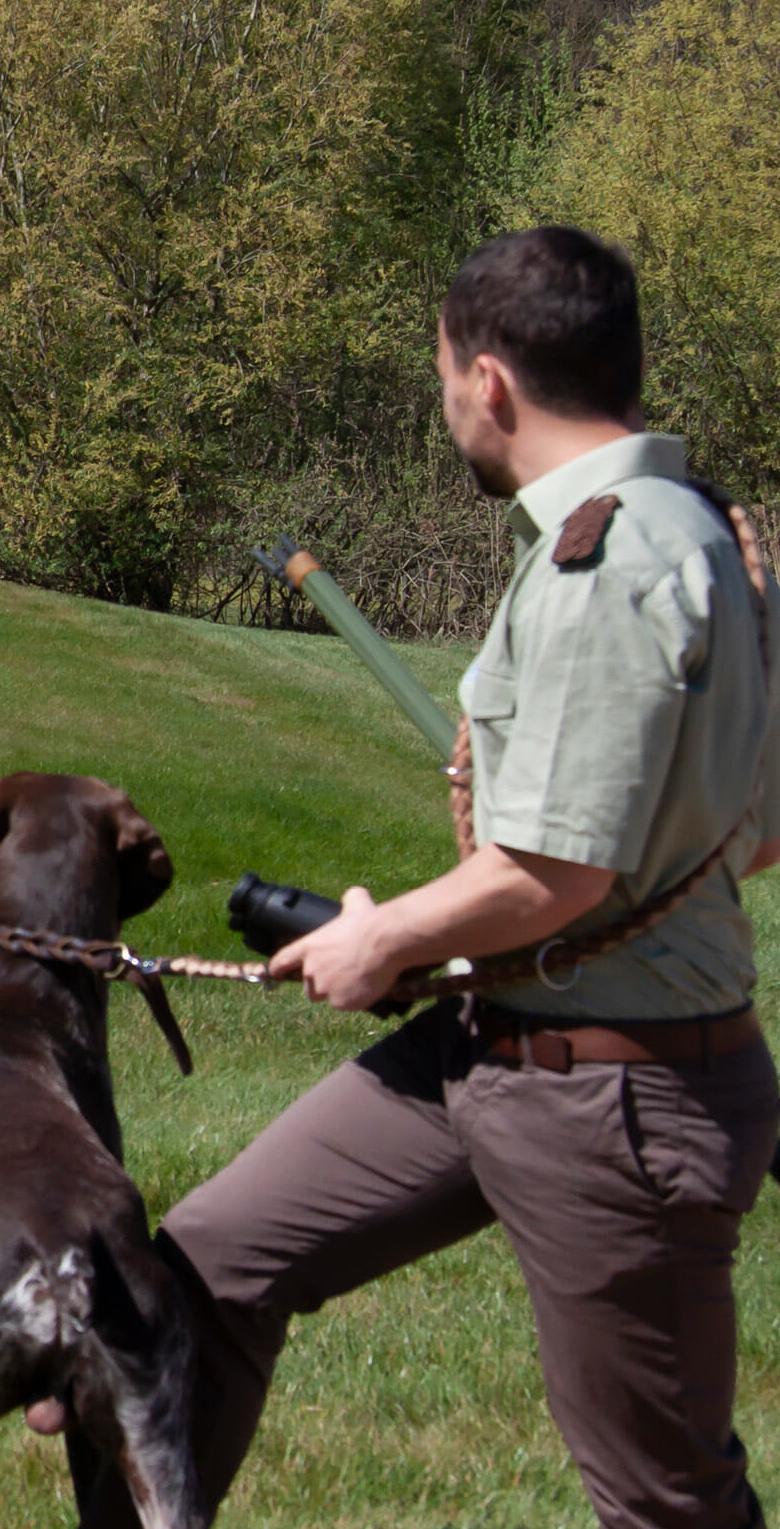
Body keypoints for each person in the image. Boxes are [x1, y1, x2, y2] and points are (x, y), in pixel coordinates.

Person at [96, 227, 780, 1529]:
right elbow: (755, 836)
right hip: (497, 1048)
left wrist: (382, 939)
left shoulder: (604, 559)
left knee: (667, 1502)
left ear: (492, 385)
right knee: (210, 1270)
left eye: (445, 383)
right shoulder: (718, 541)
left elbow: (556, 875)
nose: (449, 411)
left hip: (616, 1100)